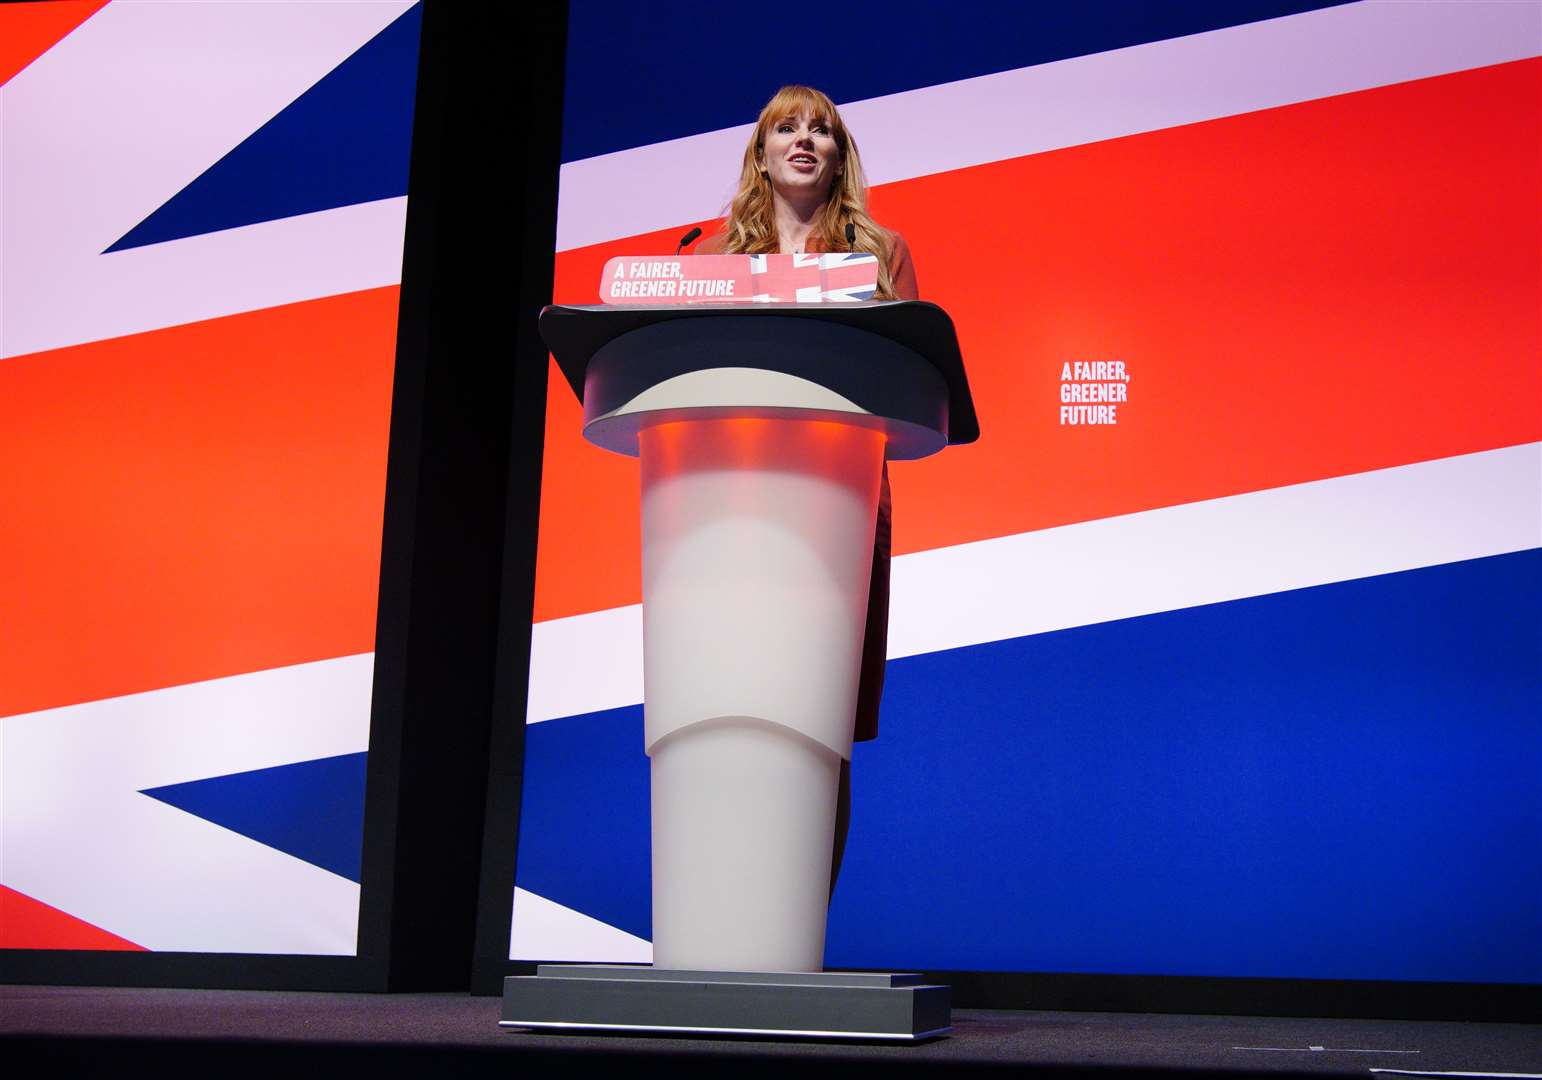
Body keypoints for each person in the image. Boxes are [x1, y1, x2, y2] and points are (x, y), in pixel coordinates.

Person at [692, 85, 917, 888]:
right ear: (760, 153)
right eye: (786, 128)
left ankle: (797, 934)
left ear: (838, 155)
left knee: (816, 726)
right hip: (725, 515)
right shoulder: (711, 261)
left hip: (838, 516)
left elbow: (905, 378)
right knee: (727, 714)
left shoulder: (878, 254)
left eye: (821, 131)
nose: (803, 140)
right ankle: (721, 917)